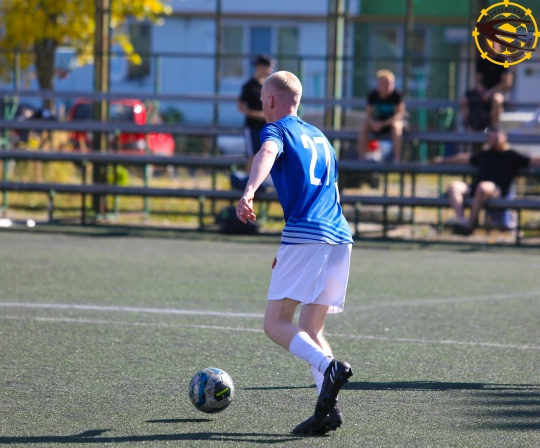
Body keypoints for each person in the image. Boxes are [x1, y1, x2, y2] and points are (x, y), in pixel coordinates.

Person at [236, 71, 354, 435]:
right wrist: (288, 246)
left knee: (275, 324)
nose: (261, 105)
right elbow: (329, 193)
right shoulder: (321, 137)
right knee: (311, 328)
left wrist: (249, 191)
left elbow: (267, 152)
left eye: (262, 100)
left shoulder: (276, 130)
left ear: (271, 100)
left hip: (308, 235)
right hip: (339, 236)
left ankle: (330, 367)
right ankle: (328, 411)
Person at [432, 129, 539, 235]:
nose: (496, 140)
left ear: (504, 138)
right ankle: (462, 220)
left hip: (496, 191)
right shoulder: (484, 154)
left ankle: (470, 224)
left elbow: (532, 160)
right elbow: (464, 158)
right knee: (454, 186)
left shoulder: (511, 156)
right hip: (476, 188)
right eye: (493, 138)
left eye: (498, 137)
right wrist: (442, 160)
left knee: (483, 187)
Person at [358, 69, 405, 162]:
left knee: (396, 127)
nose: (387, 86)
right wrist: (373, 123)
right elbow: (367, 115)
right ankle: (361, 158)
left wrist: (383, 124)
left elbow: (399, 115)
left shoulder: (396, 95)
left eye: (389, 83)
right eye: (384, 84)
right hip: (378, 123)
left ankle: (397, 159)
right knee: (364, 127)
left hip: (390, 123)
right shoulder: (373, 95)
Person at [460, 51, 513, 131]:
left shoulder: (503, 60)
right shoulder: (482, 59)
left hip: (499, 91)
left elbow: (506, 83)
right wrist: (482, 91)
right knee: (463, 100)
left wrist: (489, 92)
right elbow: (477, 81)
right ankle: (468, 127)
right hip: (483, 92)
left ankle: (494, 128)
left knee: (496, 99)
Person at [237, 55, 274, 170]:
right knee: (254, 156)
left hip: (267, 126)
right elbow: (240, 106)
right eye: (269, 67)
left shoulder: (268, 86)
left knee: (266, 155)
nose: (271, 70)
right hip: (253, 126)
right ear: (261, 67)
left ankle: (263, 180)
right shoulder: (249, 86)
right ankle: (248, 180)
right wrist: (256, 114)